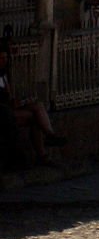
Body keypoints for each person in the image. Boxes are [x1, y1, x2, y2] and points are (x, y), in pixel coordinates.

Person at [0, 38, 66, 168]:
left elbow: (10, 96)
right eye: (1, 58)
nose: (4, 61)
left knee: (38, 106)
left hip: (9, 108)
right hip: (3, 112)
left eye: (5, 58)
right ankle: (42, 152)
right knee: (34, 118)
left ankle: (49, 135)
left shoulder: (3, 75)